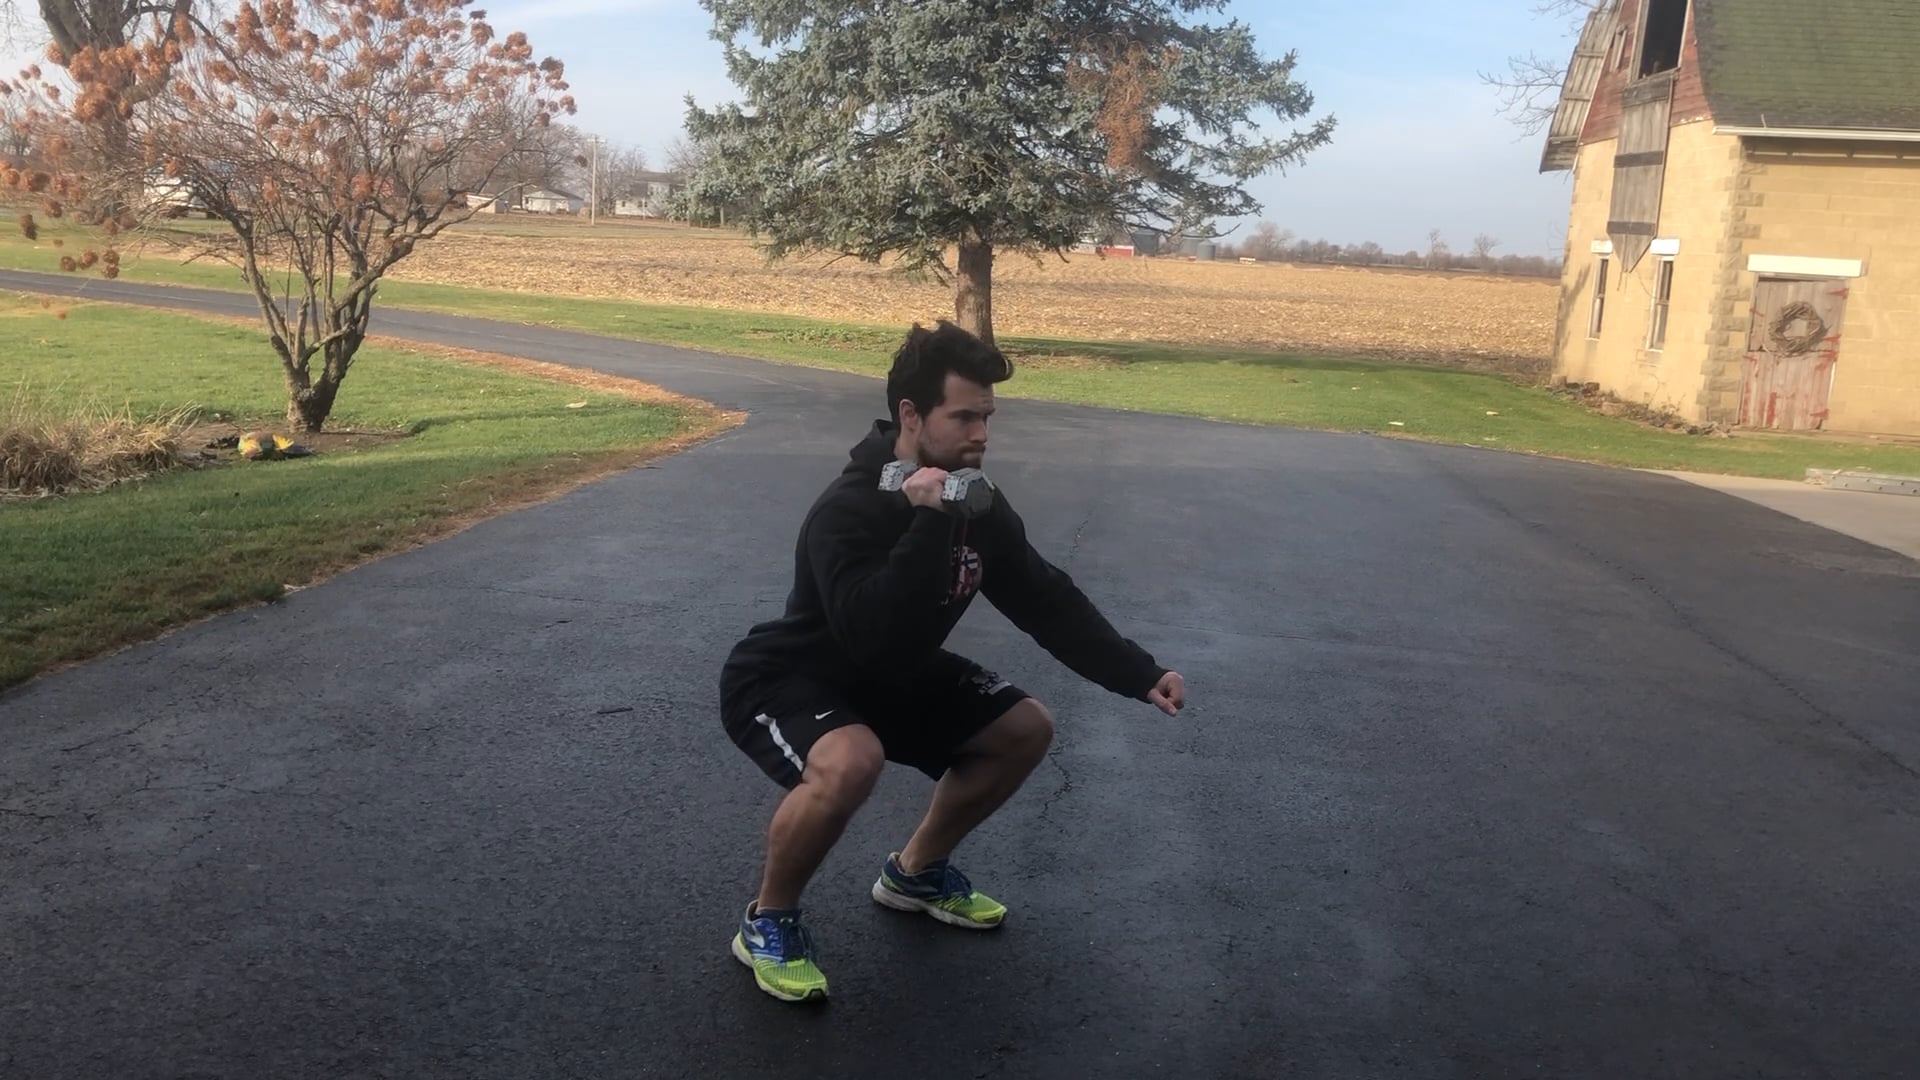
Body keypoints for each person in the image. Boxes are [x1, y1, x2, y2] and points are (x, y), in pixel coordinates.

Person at [717, 320, 1185, 1003]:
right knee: (851, 760)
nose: (982, 434)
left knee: (1024, 727)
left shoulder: (976, 502)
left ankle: (916, 873)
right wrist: (930, 520)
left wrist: (1138, 673)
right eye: (964, 417)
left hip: (890, 674)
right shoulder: (849, 510)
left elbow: (1044, 598)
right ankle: (768, 920)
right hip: (792, 674)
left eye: (987, 417)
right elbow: (870, 635)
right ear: (911, 415)